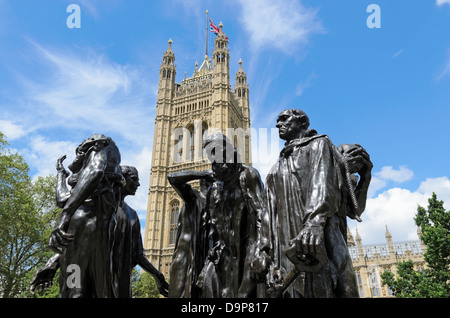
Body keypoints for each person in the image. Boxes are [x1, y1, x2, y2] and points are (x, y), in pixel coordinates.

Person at [254, 109, 372, 298]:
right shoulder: (274, 171)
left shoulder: (320, 145)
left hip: (318, 239)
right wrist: (262, 250)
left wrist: (314, 223)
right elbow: (266, 214)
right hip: (287, 248)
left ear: (301, 123)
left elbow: (324, 187)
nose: (278, 124)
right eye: (277, 120)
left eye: (284, 119)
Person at [48, 134, 124, 297]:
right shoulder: (85, 183)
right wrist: (61, 174)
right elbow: (62, 199)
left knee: (75, 287)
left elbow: (95, 171)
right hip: (86, 227)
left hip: (83, 225)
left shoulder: (99, 144)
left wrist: (64, 216)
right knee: (84, 287)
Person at [197, 132, 265, 298]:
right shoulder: (215, 189)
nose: (213, 159)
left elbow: (261, 216)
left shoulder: (248, 175)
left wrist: (262, 251)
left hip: (247, 253)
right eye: (209, 155)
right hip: (223, 257)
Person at [111, 165, 169, 297]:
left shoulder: (132, 215)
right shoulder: (101, 207)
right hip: (99, 276)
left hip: (122, 281)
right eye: (134, 179)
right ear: (121, 179)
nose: (138, 184)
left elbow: (138, 255)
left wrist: (158, 275)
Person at [167, 169, 214, 298]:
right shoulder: (193, 197)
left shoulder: (216, 206)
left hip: (205, 264)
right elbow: (172, 177)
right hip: (186, 262)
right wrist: (202, 174)